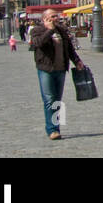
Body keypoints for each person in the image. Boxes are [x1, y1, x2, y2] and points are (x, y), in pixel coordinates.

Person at [30, 8, 84, 140]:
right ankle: (52, 130)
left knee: (57, 101)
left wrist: (77, 61)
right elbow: (38, 43)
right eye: (53, 17)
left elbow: (69, 49)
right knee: (49, 99)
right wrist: (49, 30)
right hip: (46, 69)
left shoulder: (62, 30)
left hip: (60, 69)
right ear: (45, 19)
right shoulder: (37, 30)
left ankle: (56, 127)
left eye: (56, 16)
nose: (56, 19)